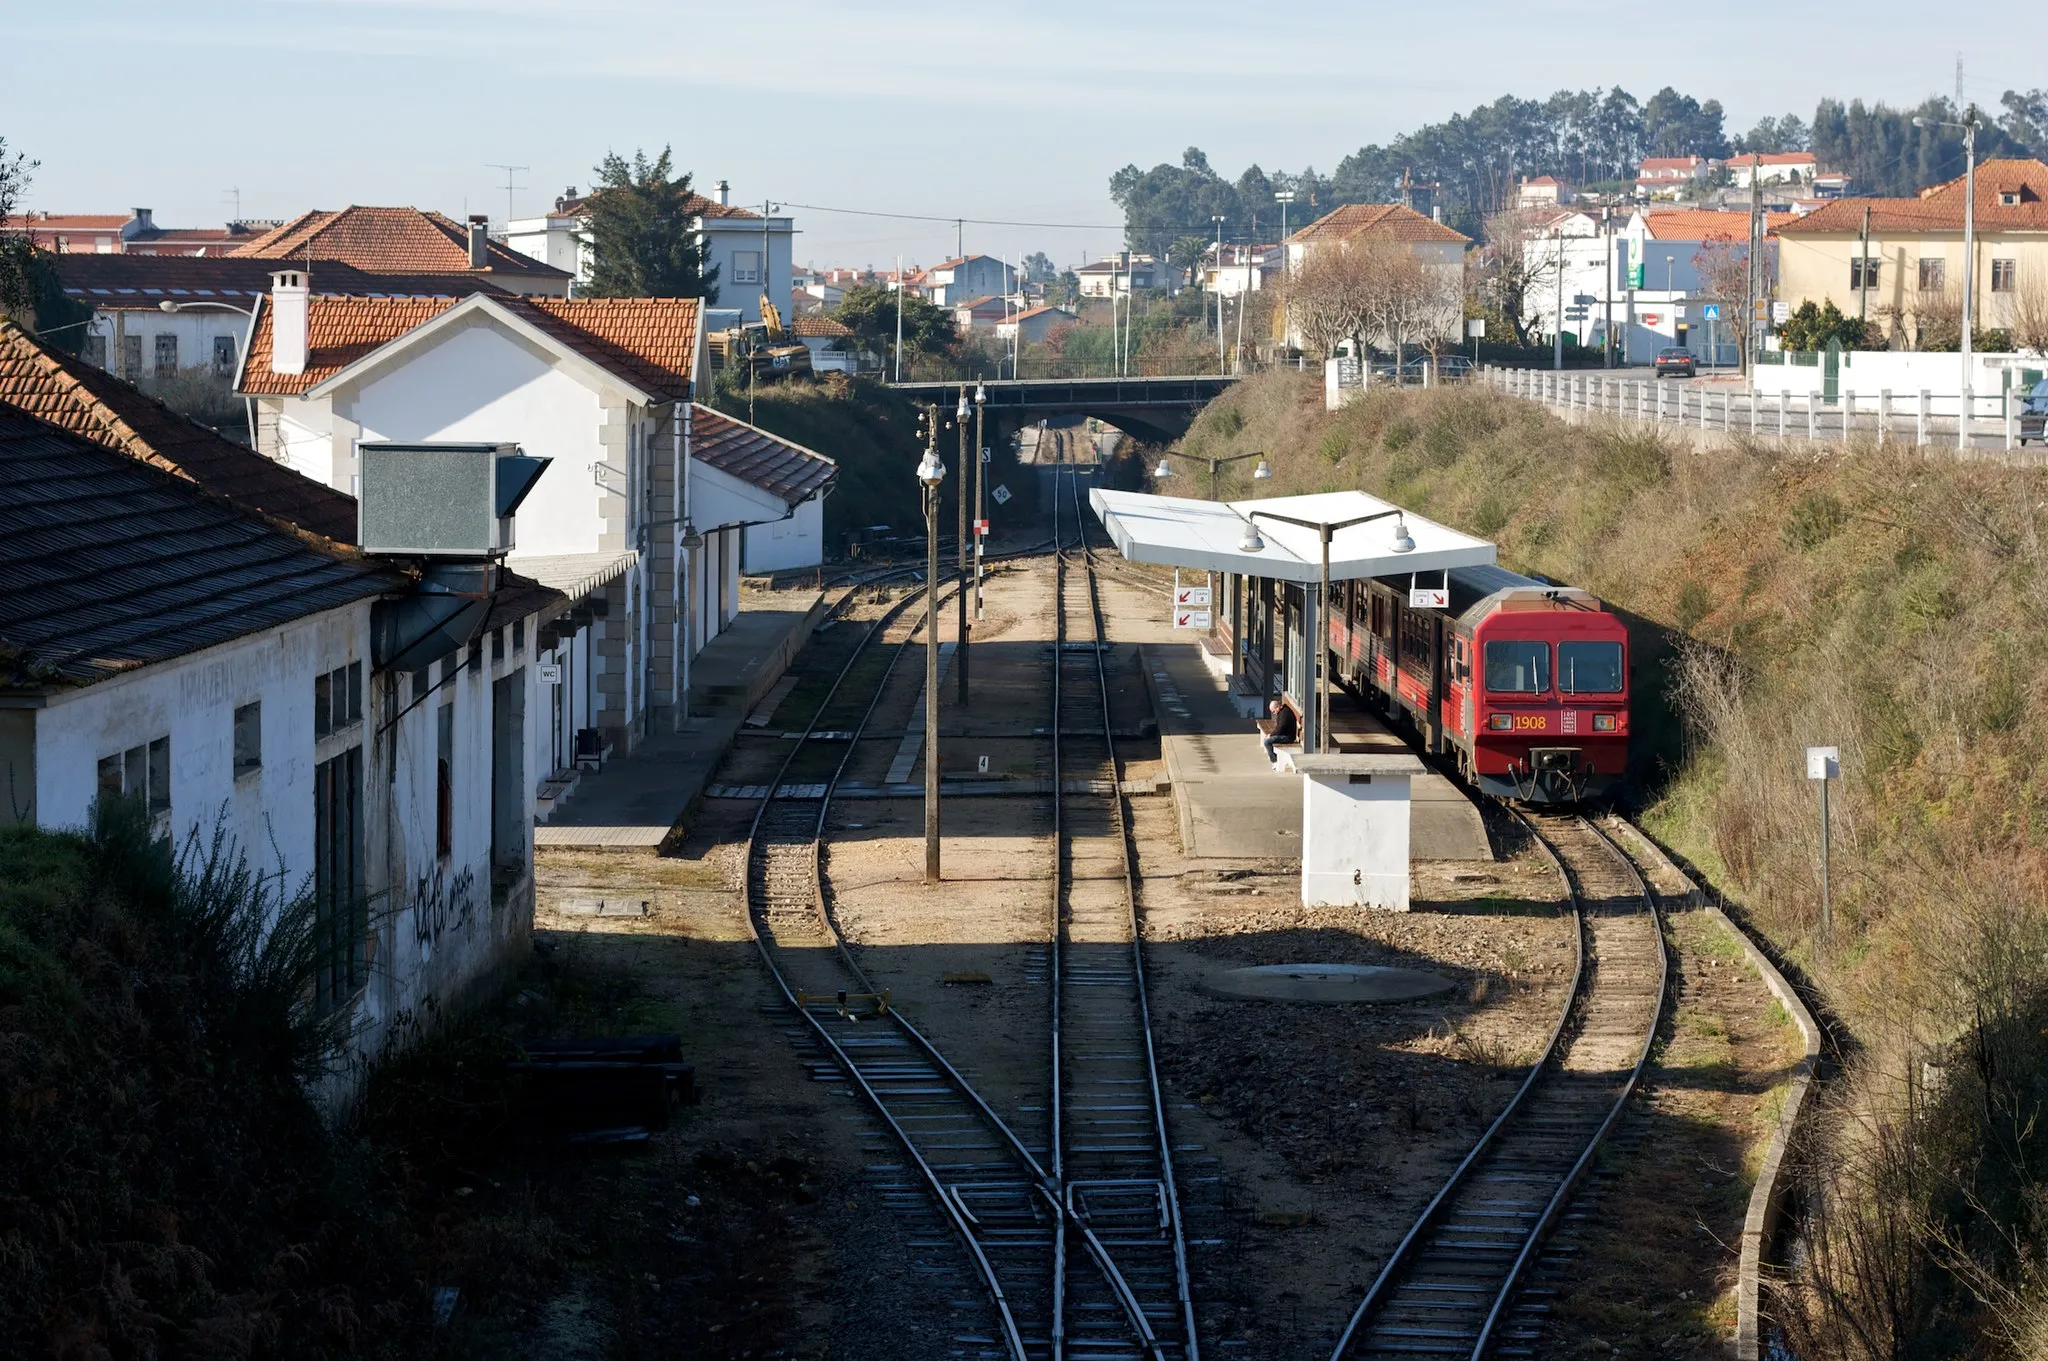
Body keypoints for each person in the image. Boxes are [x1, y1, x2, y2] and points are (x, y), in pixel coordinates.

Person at [1259, 699, 1297, 767]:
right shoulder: (1282, 711)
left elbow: (1280, 728)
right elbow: (1279, 728)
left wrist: (1271, 735)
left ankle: (1275, 761)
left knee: (1267, 742)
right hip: (1284, 734)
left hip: (1288, 737)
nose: (1274, 713)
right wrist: (1271, 734)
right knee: (1266, 740)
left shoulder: (1285, 713)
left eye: (1273, 711)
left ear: (1278, 707)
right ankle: (1274, 758)